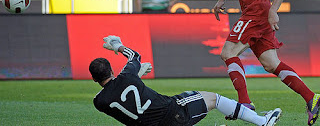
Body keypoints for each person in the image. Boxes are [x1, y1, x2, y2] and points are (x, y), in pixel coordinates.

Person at [89, 35, 282, 126]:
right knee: (214, 99)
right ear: (112, 69)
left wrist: (135, 78)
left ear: (93, 79)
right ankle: (263, 122)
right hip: (172, 112)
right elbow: (135, 56)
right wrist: (118, 46)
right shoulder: (127, 76)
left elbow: (119, 92)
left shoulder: (99, 102)